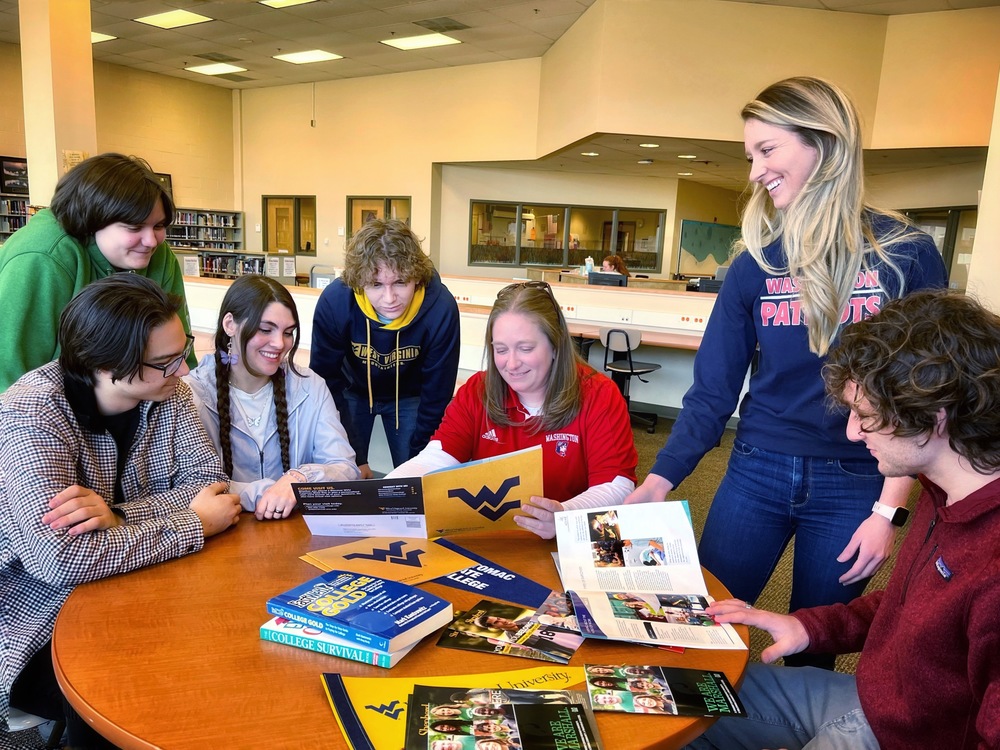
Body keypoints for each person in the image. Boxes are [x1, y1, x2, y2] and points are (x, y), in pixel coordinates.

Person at [625, 77, 947, 668]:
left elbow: (925, 395)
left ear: (823, 143)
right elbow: (712, 391)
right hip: (756, 471)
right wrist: (660, 481)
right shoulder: (756, 264)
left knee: (807, 646)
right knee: (707, 629)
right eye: (750, 155)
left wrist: (888, 512)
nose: (753, 171)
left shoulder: (904, 254)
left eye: (767, 151)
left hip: (855, 483)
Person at [686, 289, 1000, 750]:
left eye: (865, 415)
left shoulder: (991, 562)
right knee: (678, 695)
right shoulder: (943, 488)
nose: (852, 432)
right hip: (873, 702)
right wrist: (807, 627)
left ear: (935, 419)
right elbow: (909, 612)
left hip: (908, 740)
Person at [0, 274, 241, 747]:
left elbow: (210, 485)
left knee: (215, 659)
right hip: (35, 616)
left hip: (141, 585)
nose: (184, 370)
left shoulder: (166, 392)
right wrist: (192, 523)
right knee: (138, 693)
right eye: (166, 362)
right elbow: (58, 560)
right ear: (106, 365)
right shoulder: (32, 412)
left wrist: (118, 516)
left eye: (183, 351)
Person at [386, 281, 638, 539]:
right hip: (499, 541)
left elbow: (616, 485)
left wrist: (564, 515)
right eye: (501, 350)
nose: (512, 364)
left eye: (526, 348)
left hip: (571, 541)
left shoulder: (599, 395)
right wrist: (381, 495)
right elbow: (436, 459)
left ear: (555, 345)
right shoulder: (478, 389)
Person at [0, 152, 195, 393]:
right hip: (42, 409)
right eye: (134, 226)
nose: (151, 241)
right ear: (92, 220)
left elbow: (179, 351)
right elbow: (9, 374)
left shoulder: (157, 252)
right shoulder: (41, 257)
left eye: (159, 225)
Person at [185, 275, 359, 519]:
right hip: (221, 537)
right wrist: (269, 491)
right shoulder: (192, 394)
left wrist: (299, 478)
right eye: (265, 329)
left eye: (288, 332)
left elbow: (345, 468)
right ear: (230, 324)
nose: (279, 344)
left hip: (293, 535)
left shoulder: (311, 387)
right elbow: (192, 489)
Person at [310, 219, 460, 477]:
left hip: (410, 396)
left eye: (400, 283)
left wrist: (415, 462)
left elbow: (437, 395)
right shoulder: (336, 301)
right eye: (376, 285)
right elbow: (325, 382)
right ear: (359, 281)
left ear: (417, 277)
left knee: (418, 480)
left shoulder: (441, 307)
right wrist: (354, 457)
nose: (389, 299)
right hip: (352, 390)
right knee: (343, 471)